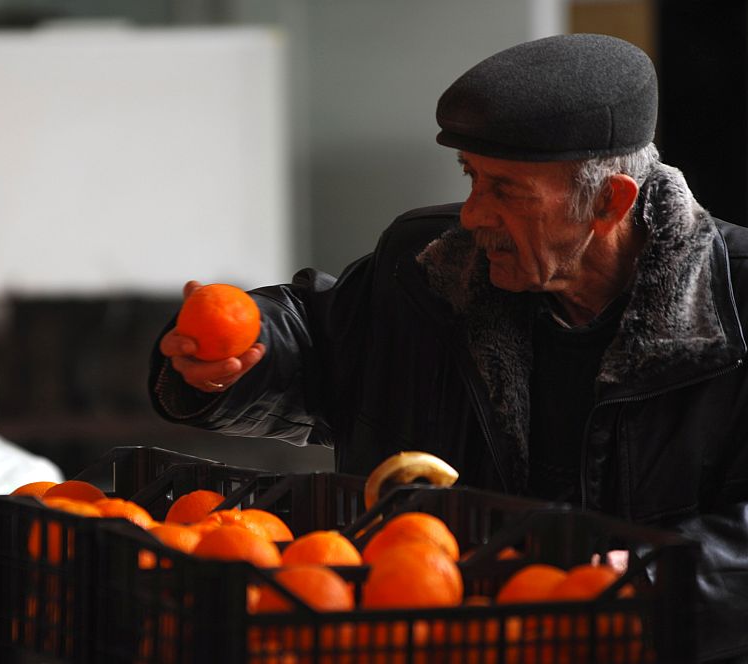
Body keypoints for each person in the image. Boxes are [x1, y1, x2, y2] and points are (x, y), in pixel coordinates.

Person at [149, 34, 748, 662]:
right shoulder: (430, 271)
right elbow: (315, 341)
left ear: (610, 201)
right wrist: (234, 353)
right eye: (472, 178)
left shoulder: (737, 304)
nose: (471, 214)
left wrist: (635, 582)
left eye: (506, 190)